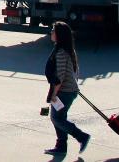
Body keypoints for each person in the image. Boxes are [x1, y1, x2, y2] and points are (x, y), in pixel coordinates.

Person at [44, 22, 90, 155]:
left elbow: (60, 75)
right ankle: (61, 146)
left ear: (59, 35)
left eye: (53, 31)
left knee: (56, 119)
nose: (51, 33)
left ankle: (81, 137)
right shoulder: (66, 49)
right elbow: (75, 70)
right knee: (59, 118)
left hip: (64, 92)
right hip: (68, 90)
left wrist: (54, 94)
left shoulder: (61, 52)